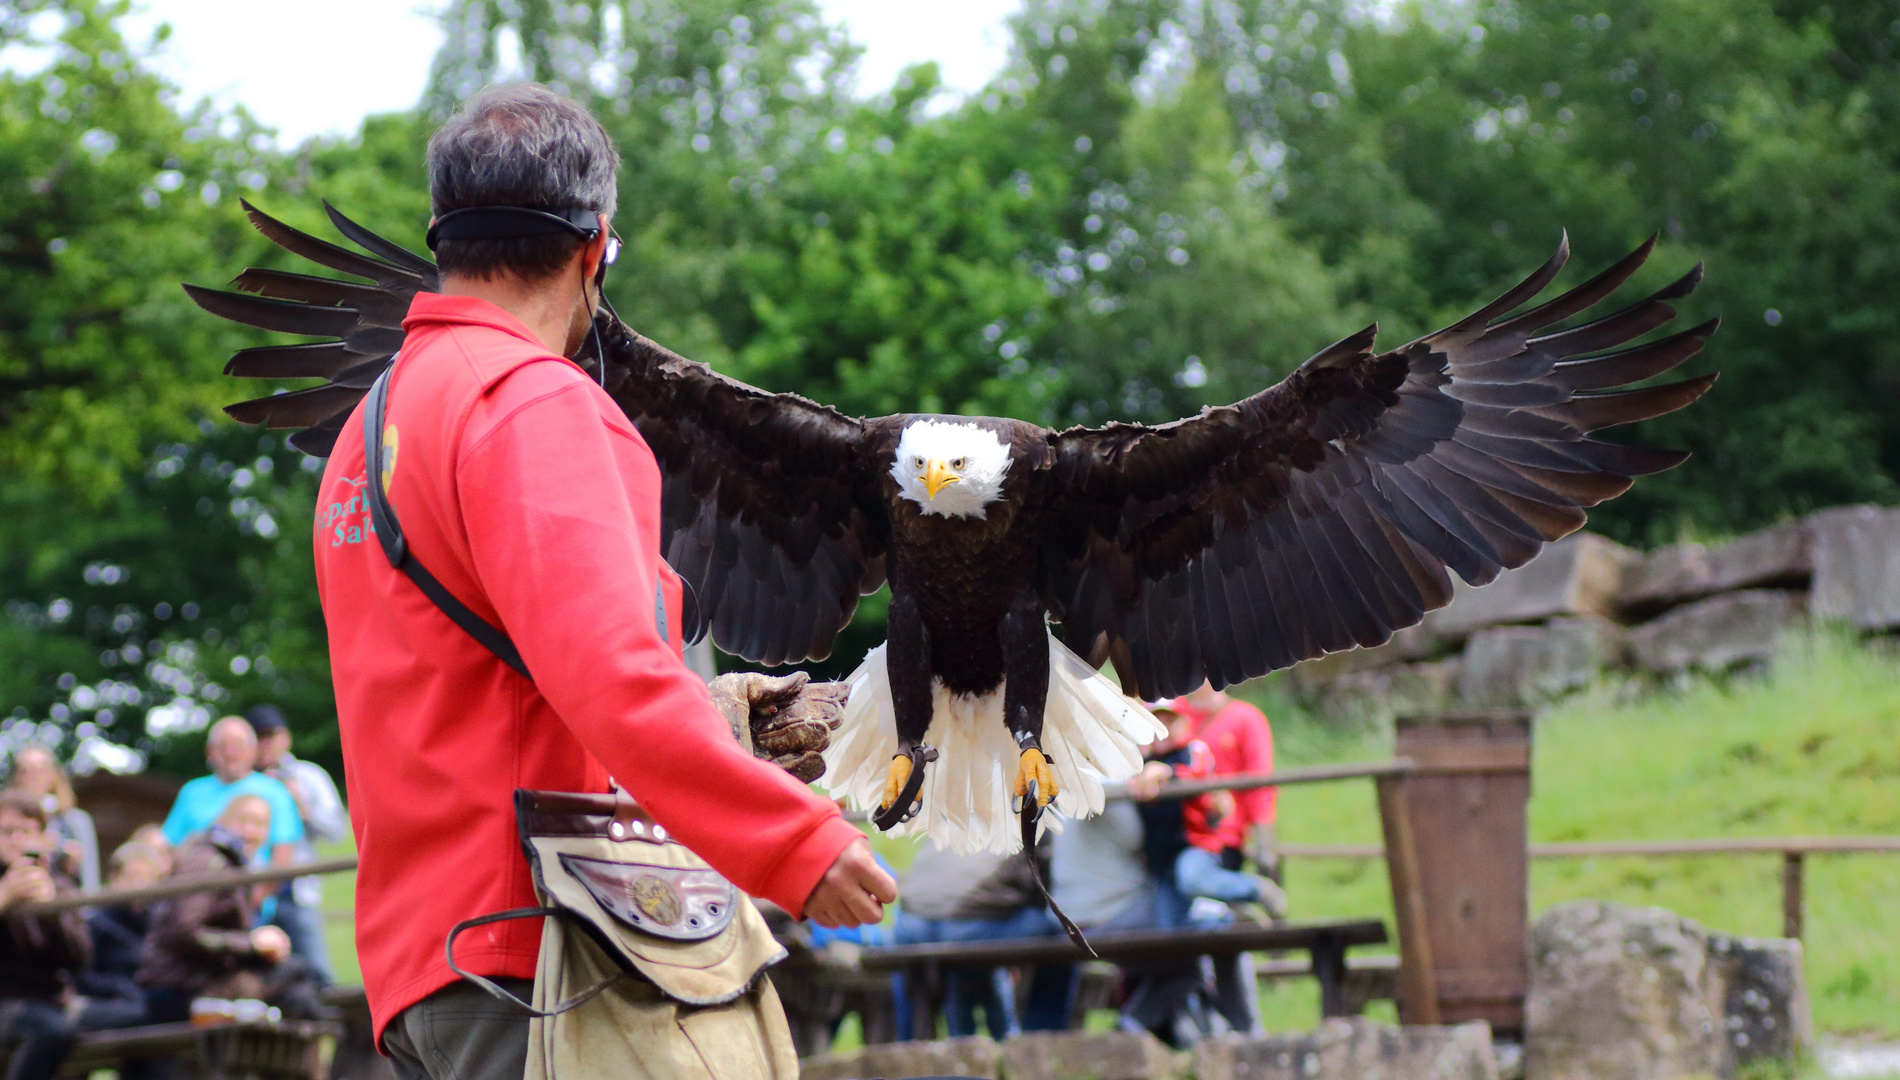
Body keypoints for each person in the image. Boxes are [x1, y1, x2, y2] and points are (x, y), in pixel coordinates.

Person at [311, 82, 891, 1077]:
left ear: (444, 237)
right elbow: (612, 677)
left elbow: (479, 694)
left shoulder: (368, 440)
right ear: (595, 248)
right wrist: (795, 844)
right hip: (546, 952)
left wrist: (711, 719)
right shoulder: (534, 404)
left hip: (429, 969)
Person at [138, 795, 328, 1024]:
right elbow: (184, 930)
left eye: (259, 824)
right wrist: (252, 944)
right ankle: (341, 1033)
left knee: (297, 988)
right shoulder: (207, 861)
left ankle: (337, 1033)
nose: (249, 831)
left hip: (202, 978)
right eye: (242, 820)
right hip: (179, 988)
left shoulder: (230, 862)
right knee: (297, 976)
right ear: (222, 821)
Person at [892, 844, 1064, 1039]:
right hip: (966, 926)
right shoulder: (1032, 818)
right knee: (1055, 928)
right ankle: (1038, 1038)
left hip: (911, 923)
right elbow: (1044, 884)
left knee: (965, 971)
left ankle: (913, 1041)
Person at [248, 705, 344, 986]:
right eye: (258, 736)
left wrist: (303, 809)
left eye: (270, 735)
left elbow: (336, 831)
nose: (265, 743)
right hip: (253, 893)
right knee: (258, 975)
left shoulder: (308, 776)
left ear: (285, 738)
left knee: (318, 973)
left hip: (297, 892)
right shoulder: (244, 783)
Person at [0, 790, 90, 1080]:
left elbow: (79, 958)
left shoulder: (57, 884)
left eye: (27, 831)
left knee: (146, 1019)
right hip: (9, 1002)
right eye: (7, 831)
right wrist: (5, 896)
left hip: (52, 1000)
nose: (17, 840)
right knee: (52, 1030)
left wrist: (51, 913)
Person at [160, 717, 303, 871]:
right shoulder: (192, 791)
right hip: (194, 886)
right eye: (222, 746)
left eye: (238, 745)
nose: (231, 752)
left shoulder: (275, 791)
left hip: (249, 886)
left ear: (253, 750)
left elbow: (283, 856)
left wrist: (250, 895)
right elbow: (168, 846)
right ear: (209, 751)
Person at [1168, 682, 1280, 880]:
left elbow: (1259, 785)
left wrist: (1266, 845)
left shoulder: (1245, 718)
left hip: (1224, 837)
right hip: (1174, 836)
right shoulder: (1170, 717)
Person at [6, 745, 100, 892]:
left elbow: (90, 878)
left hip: (62, 896)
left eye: (40, 769)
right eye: (25, 770)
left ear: (53, 775)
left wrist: (66, 859)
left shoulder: (73, 821)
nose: (33, 776)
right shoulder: (6, 819)